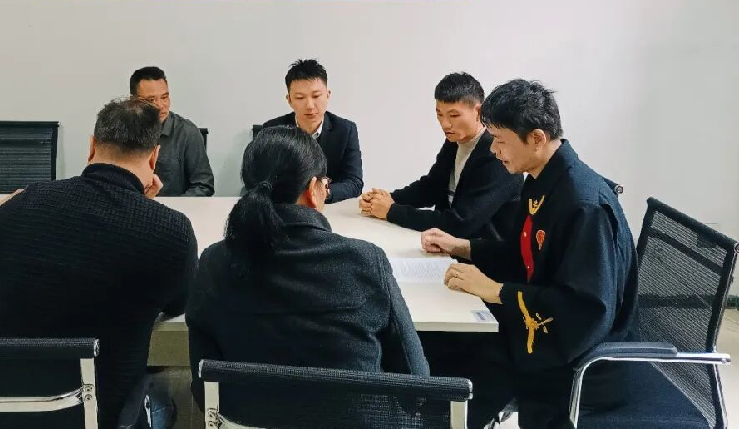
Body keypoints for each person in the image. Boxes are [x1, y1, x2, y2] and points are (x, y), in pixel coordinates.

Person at [0, 98, 198, 429]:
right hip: (91, 412)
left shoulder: (31, 199)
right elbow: (178, 301)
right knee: (163, 401)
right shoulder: (171, 230)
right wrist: (144, 210)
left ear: (92, 146)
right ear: (154, 156)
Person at [421, 80, 638, 428]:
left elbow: (584, 309)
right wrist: (462, 246)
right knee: (437, 343)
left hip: (580, 358)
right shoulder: (542, 178)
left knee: (468, 361)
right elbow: (522, 253)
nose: (494, 151)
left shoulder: (584, 206)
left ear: (536, 138)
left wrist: (496, 291)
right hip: (542, 319)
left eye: (500, 141)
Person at [186, 126, 427, 424]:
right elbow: (416, 386)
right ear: (313, 189)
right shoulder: (365, 260)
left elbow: (203, 387)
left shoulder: (215, 262)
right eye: (326, 184)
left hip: (248, 420)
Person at [359, 72, 522, 240]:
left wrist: (392, 211)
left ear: (478, 111)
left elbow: (461, 223)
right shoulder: (454, 141)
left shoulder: (498, 154)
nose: (445, 124)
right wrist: (385, 199)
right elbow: (430, 188)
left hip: (480, 251)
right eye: (439, 114)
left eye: (454, 115)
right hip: (446, 245)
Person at [260, 59, 363, 202]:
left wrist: (322, 193)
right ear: (289, 100)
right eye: (300, 97)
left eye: (316, 96)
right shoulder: (272, 130)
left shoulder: (346, 130)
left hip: (328, 208)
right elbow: (259, 180)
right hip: (285, 207)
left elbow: (354, 182)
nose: (309, 105)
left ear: (328, 95)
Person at [131, 66, 214, 197]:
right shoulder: (121, 131)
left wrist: (174, 207)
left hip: (172, 208)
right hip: (130, 206)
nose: (160, 106)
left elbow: (203, 185)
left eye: (164, 97)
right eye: (151, 100)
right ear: (134, 101)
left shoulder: (187, 132)